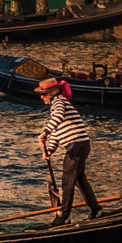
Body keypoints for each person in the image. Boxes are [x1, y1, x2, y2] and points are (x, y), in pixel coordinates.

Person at [36, 76, 100, 225]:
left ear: (51, 93)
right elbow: (57, 133)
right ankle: (97, 210)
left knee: (67, 181)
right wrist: (49, 151)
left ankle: (63, 216)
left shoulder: (59, 102)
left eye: (43, 94)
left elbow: (57, 118)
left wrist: (45, 132)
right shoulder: (58, 105)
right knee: (79, 180)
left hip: (76, 145)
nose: (41, 97)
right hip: (80, 145)